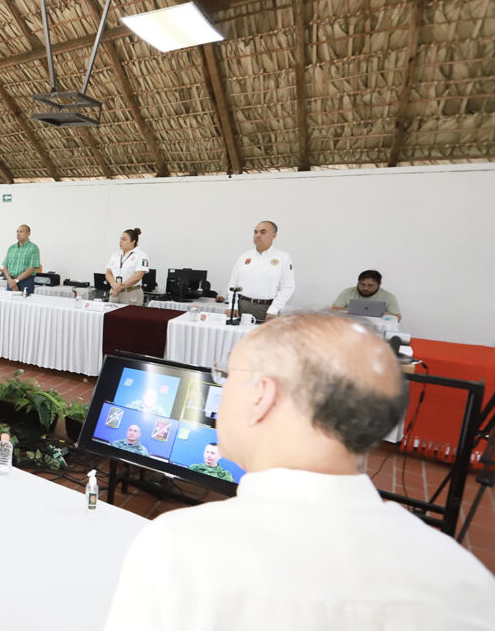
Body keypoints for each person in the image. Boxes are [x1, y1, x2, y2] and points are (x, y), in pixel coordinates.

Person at [105, 314, 495, 631]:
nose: (220, 390)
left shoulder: (179, 549)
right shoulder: (466, 580)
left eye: (226, 377)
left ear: (261, 396)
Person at [217, 220, 295, 321]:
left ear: (274, 235)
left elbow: (287, 287)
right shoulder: (244, 257)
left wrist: (274, 309)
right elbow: (233, 284)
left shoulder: (283, 258)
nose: (257, 235)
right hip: (241, 307)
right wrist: (232, 306)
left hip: (267, 309)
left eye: (263, 232)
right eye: (255, 232)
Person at [104, 228, 150, 305]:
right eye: (120, 239)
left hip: (131, 294)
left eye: (124, 239)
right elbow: (108, 273)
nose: (120, 241)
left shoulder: (141, 255)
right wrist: (113, 284)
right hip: (114, 293)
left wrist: (120, 287)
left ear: (133, 241)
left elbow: (138, 276)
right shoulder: (116, 254)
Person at [332, 269, 401, 319]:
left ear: (379, 284)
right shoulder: (347, 292)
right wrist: (367, 311)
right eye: (362, 284)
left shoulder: (389, 297)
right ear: (358, 282)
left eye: (370, 285)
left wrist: (358, 311)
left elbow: (397, 317)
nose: (365, 288)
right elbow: (334, 309)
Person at [0, 224, 41, 294]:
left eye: (21, 232)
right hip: (10, 281)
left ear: (28, 233)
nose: (18, 234)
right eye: (17, 232)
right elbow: (5, 266)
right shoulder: (11, 248)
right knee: (10, 304)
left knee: (25, 304)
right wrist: (10, 281)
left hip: (26, 282)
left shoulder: (33, 248)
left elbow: (31, 269)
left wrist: (15, 281)